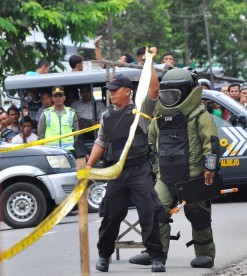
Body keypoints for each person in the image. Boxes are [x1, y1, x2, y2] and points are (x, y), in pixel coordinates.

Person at [85, 47, 166, 273]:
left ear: (128, 92)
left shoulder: (141, 111)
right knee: (111, 216)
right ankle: (104, 255)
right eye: (109, 90)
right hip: (116, 173)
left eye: (115, 90)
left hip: (139, 170)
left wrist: (149, 62)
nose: (111, 94)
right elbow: (100, 142)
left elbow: (153, 88)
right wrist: (90, 166)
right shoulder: (107, 116)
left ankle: (156, 257)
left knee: (148, 213)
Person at [130, 68, 220, 269]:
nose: (169, 99)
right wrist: (154, 169)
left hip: (194, 176)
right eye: (166, 95)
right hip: (166, 177)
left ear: (187, 93)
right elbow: (151, 145)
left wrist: (210, 168)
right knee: (156, 211)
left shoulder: (200, 116)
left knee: (198, 214)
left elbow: (211, 143)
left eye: (174, 95)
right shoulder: (159, 119)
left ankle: (205, 254)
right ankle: (155, 254)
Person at [37, 86, 79, 152]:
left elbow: (76, 133)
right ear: (52, 98)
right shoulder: (45, 113)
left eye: (60, 96)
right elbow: (41, 133)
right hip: (51, 149)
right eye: (56, 96)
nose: (58, 98)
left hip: (68, 149)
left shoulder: (71, 113)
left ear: (64, 98)